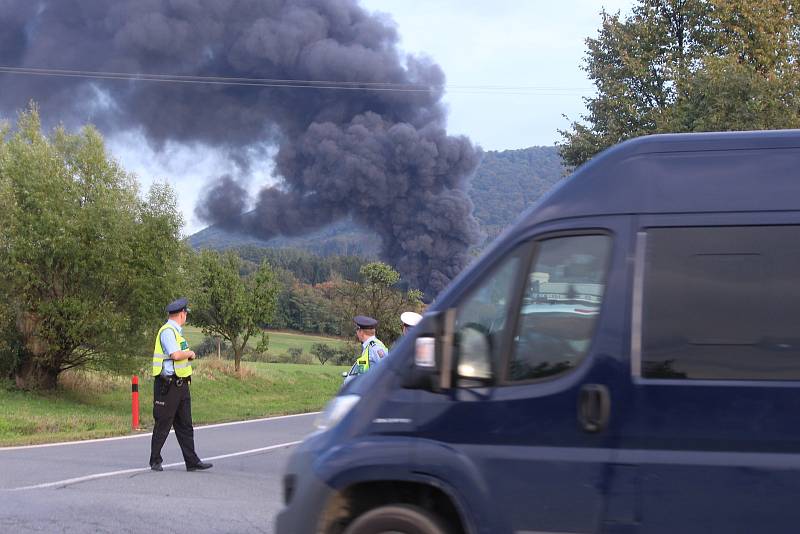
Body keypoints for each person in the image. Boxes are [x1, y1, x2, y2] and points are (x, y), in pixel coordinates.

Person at [149, 297, 212, 472]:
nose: (186, 317)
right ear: (182, 314)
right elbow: (175, 355)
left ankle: (192, 461)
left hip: (181, 384)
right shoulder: (168, 331)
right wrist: (190, 353)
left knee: (185, 425)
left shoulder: (177, 332)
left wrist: (186, 355)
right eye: (186, 314)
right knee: (163, 422)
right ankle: (155, 460)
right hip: (167, 385)